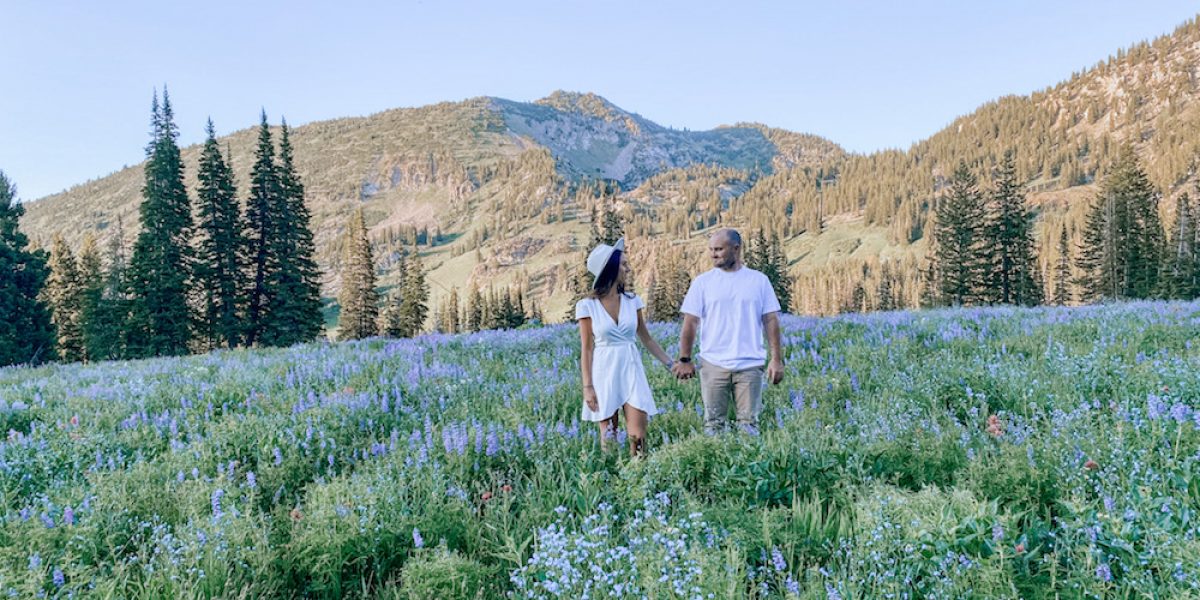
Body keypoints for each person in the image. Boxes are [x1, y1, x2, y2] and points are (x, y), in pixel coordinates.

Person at [672, 228, 785, 434]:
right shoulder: (702, 283)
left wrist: (776, 359)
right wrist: (685, 359)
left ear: (736, 249)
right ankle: (716, 466)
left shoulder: (758, 281)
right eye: (711, 249)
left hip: (750, 364)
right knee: (713, 424)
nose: (713, 254)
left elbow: (771, 320)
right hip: (713, 363)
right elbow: (690, 322)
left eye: (719, 249)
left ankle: (747, 465)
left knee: (749, 424)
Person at [577, 237, 674, 456]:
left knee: (638, 436)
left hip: (631, 367)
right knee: (609, 437)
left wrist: (670, 363)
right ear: (610, 269)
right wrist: (588, 387)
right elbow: (587, 348)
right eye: (622, 264)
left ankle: (639, 478)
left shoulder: (633, 301)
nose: (627, 268)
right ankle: (612, 481)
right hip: (604, 370)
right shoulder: (587, 306)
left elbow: (646, 338)